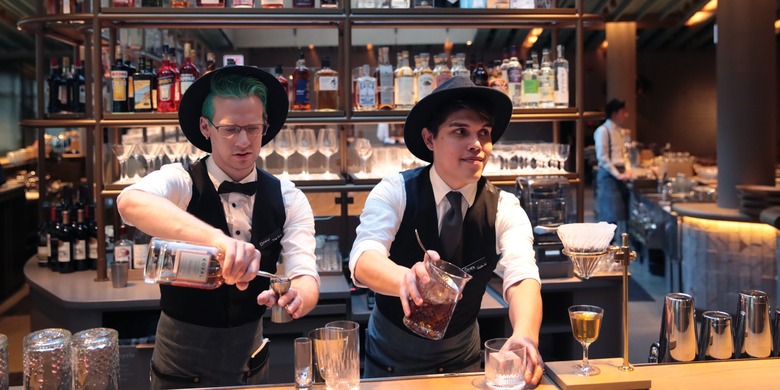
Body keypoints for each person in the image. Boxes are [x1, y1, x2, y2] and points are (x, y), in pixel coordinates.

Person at [117, 65, 320, 389]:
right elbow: (129, 203)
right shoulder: (182, 181)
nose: (244, 141)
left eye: (253, 128)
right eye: (230, 129)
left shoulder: (287, 196)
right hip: (179, 364)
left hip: (250, 361)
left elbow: (305, 272)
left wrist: (300, 296)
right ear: (205, 127)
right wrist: (216, 240)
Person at [349, 76, 545, 386]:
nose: (476, 144)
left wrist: (525, 333)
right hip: (390, 359)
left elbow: (522, 276)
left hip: (461, 359)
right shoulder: (395, 191)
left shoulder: (504, 207)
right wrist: (405, 279)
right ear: (430, 140)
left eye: (484, 133)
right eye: (460, 131)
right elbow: (363, 258)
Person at [593, 98, 633, 241]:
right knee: (608, 218)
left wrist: (627, 170)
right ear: (615, 113)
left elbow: (624, 154)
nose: (626, 115)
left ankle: (618, 252)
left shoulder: (621, 132)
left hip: (620, 175)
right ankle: (606, 252)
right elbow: (602, 157)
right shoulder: (603, 131)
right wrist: (618, 174)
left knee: (620, 217)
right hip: (609, 176)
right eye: (623, 112)